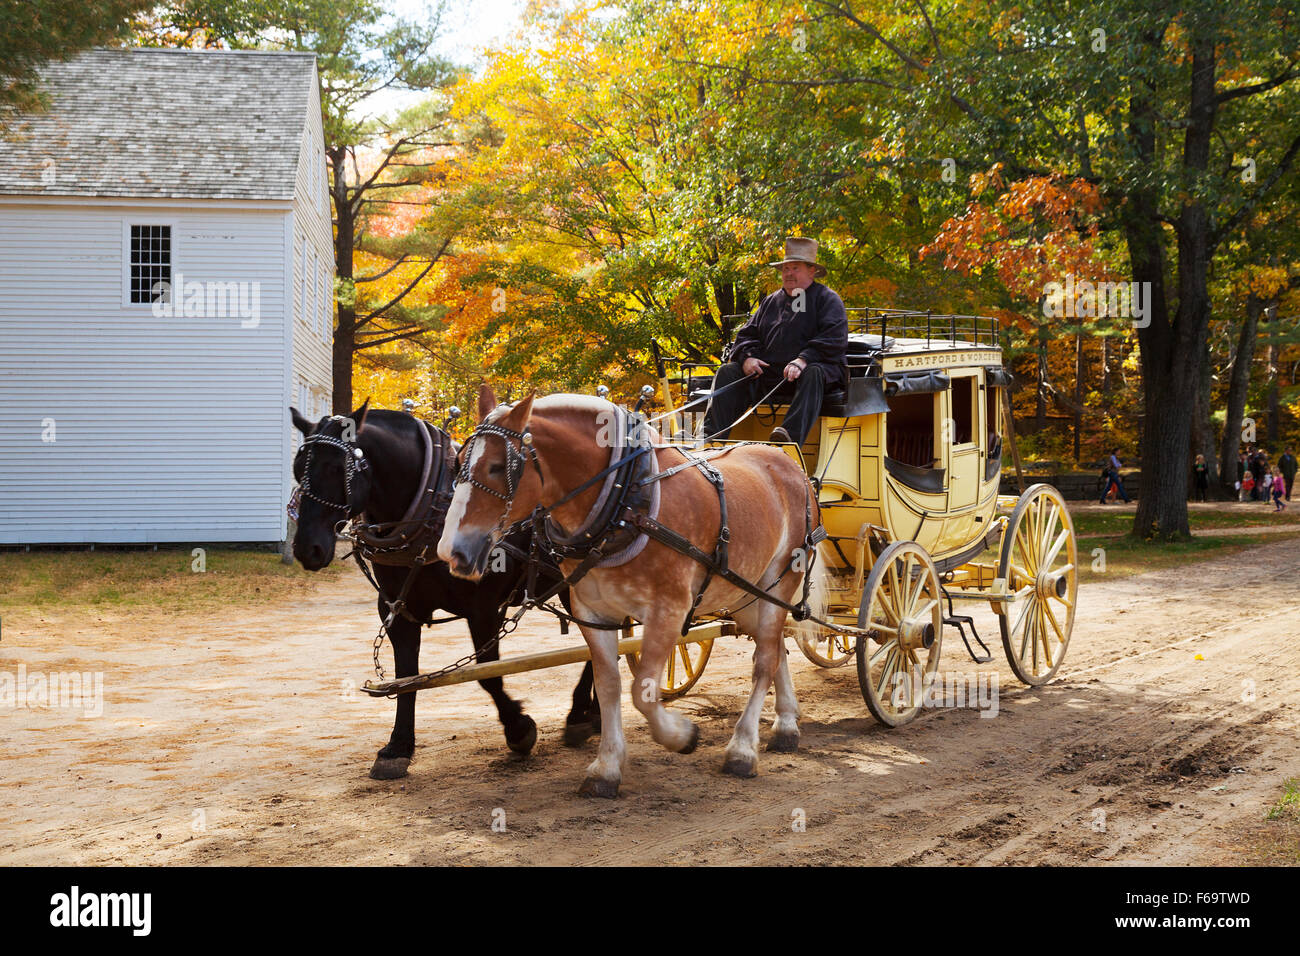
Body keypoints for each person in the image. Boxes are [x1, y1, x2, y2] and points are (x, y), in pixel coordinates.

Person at [703, 237, 848, 447]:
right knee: (728, 371)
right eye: (785, 268)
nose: (788, 273)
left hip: (809, 381)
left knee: (814, 372)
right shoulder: (771, 301)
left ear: (811, 271)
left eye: (795, 268)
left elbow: (833, 339)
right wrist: (747, 358)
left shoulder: (827, 299)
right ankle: (710, 438)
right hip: (769, 376)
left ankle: (788, 438)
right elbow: (746, 335)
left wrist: (802, 360)